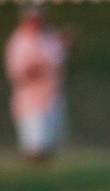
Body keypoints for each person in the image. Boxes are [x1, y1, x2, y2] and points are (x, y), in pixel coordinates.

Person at [4, 5, 71, 163]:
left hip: (52, 96)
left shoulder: (48, 38)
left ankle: (46, 174)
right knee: (35, 145)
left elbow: (59, 56)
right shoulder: (19, 42)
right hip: (31, 101)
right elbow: (20, 73)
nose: (36, 23)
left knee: (51, 142)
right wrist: (42, 66)